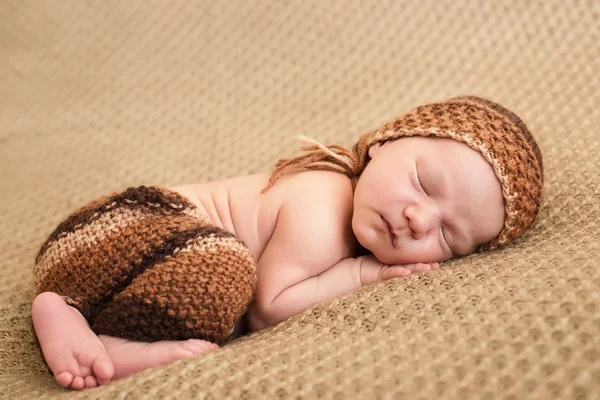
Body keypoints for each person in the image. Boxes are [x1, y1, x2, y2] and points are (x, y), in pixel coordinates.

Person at [31, 96, 544, 389]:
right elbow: (267, 309)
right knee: (223, 270)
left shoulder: (358, 212)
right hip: (113, 232)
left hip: (121, 257)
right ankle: (110, 342)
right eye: (424, 184)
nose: (417, 217)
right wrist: (363, 275)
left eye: (446, 235)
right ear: (383, 144)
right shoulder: (324, 201)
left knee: (216, 265)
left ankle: (74, 312)